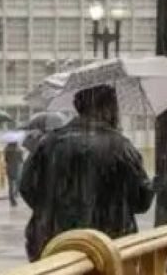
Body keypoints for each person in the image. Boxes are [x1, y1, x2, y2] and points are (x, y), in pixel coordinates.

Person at [19, 84, 154, 262]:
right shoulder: (120, 146)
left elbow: (26, 186)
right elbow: (141, 201)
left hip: (51, 242)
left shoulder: (49, 142)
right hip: (105, 247)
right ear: (106, 109)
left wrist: (52, 211)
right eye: (114, 107)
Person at [3, 141, 24, 207]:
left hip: (9, 168)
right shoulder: (19, 150)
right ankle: (15, 194)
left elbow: (6, 159)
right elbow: (21, 160)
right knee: (18, 183)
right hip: (17, 168)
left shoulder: (7, 149)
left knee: (11, 185)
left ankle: (12, 198)